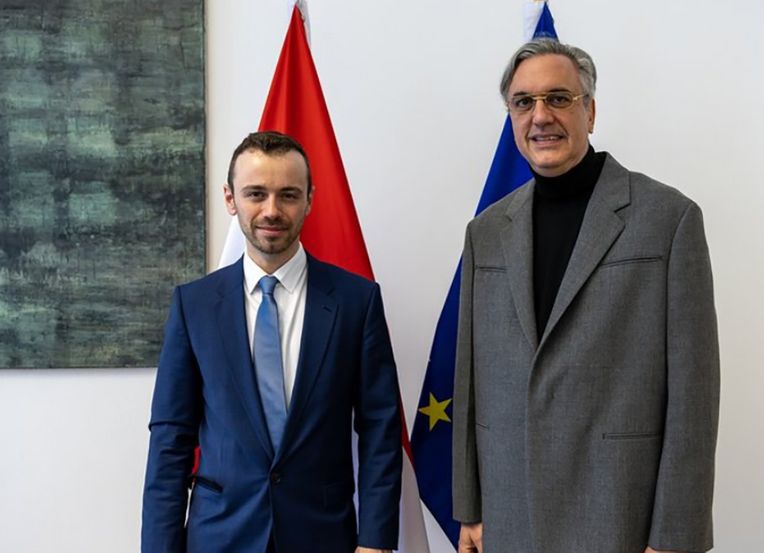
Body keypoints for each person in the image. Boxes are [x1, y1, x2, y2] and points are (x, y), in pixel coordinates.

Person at [452, 39, 719, 553]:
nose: (540, 116)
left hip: (620, 517)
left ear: (590, 111)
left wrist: (675, 537)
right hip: (510, 515)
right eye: (523, 102)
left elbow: (695, 396)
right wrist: (471, 508)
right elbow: (471, 382)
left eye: (559, 98)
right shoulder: (485, 232)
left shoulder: (669, 220)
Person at [142, 131, 401, 553]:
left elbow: (380, 429)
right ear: (231, 199)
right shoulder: (194, 306)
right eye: (256, 194)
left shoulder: (357, 301)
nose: (271, 211)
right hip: (219, 537)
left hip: (323, 536)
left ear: (310, 200)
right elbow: (170, 439)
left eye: (288, 195)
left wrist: (376, 541)